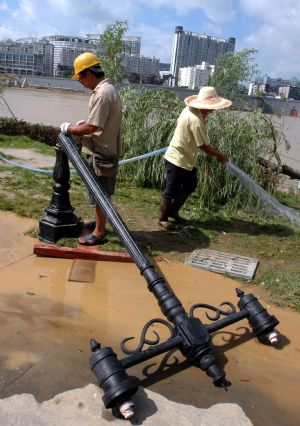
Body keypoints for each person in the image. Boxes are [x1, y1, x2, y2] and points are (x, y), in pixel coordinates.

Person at [60, 52, 122, 245]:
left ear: (89, 73)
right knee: (99, 193)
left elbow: (93, 127)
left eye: (80, 78)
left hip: (101, 154)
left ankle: (99, 232)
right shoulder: (109, 89)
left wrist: (70, 128)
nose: (80, 82)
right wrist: (84, 123)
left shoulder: (102, 94)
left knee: (100, 194)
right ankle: (99, 222)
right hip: (105, 150)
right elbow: (97, 122)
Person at [159, 86, 232, 230]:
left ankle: (173, 211)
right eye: (211, 108)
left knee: (190, 185)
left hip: (186, 158)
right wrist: (219, 155)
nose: (212, 111)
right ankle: (163, 218)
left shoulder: (188, 110)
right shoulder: (196, 120)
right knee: (170, 190)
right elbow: (203, 145)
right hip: (176, 159)